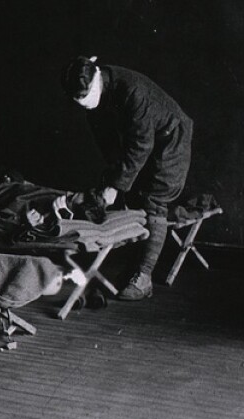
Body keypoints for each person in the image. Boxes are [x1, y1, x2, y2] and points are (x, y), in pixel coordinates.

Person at [60, 55, 193, 301]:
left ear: (96, 79)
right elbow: (109, 144)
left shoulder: (134, 92)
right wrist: (113, 178)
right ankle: (134, 266)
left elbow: (141, 146)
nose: (83, 102)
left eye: (85, 96)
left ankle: (143, 277)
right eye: (77, 99)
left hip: (171, 138)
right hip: (143, 140)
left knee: (154, 200)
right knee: (133, 196)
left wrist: (115, 186)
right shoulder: (94, 100)